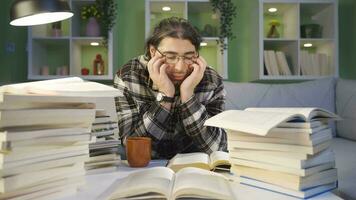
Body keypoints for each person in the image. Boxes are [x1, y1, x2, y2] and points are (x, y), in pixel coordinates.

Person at [114, 17, 226, 159]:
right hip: (145, 164)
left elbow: (218, 147)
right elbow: (131, 147)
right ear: (153, 51)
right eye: (170, 57)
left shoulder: (212, 81)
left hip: (194, 165)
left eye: (189, 56)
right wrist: (165, 95)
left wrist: (188, 95)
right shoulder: (129, 77)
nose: (180, 68)